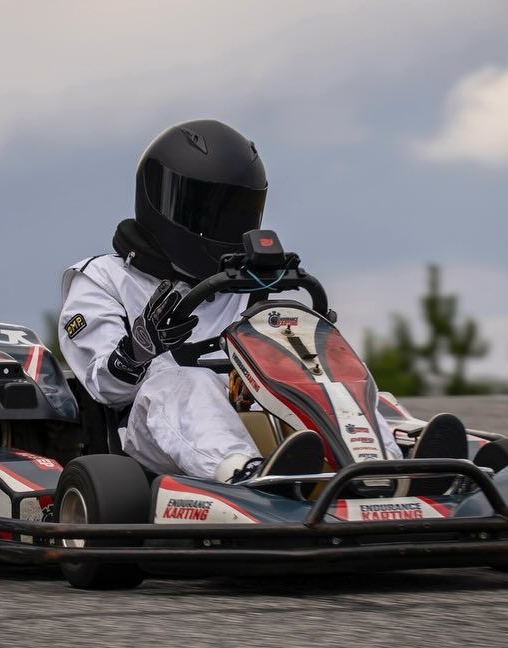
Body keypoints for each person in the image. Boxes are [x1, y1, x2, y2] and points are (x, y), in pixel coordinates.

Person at [57, 119, 401, 483]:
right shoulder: (102, 279)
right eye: (210, 213)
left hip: (255, 411)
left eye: (236, 211)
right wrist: (138, 351)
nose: (225, 226)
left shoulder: (247, 282)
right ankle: (245, 476)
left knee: (338, 382)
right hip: (150, 435)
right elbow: (104, 389)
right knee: (185, 381)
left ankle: (390, 464)